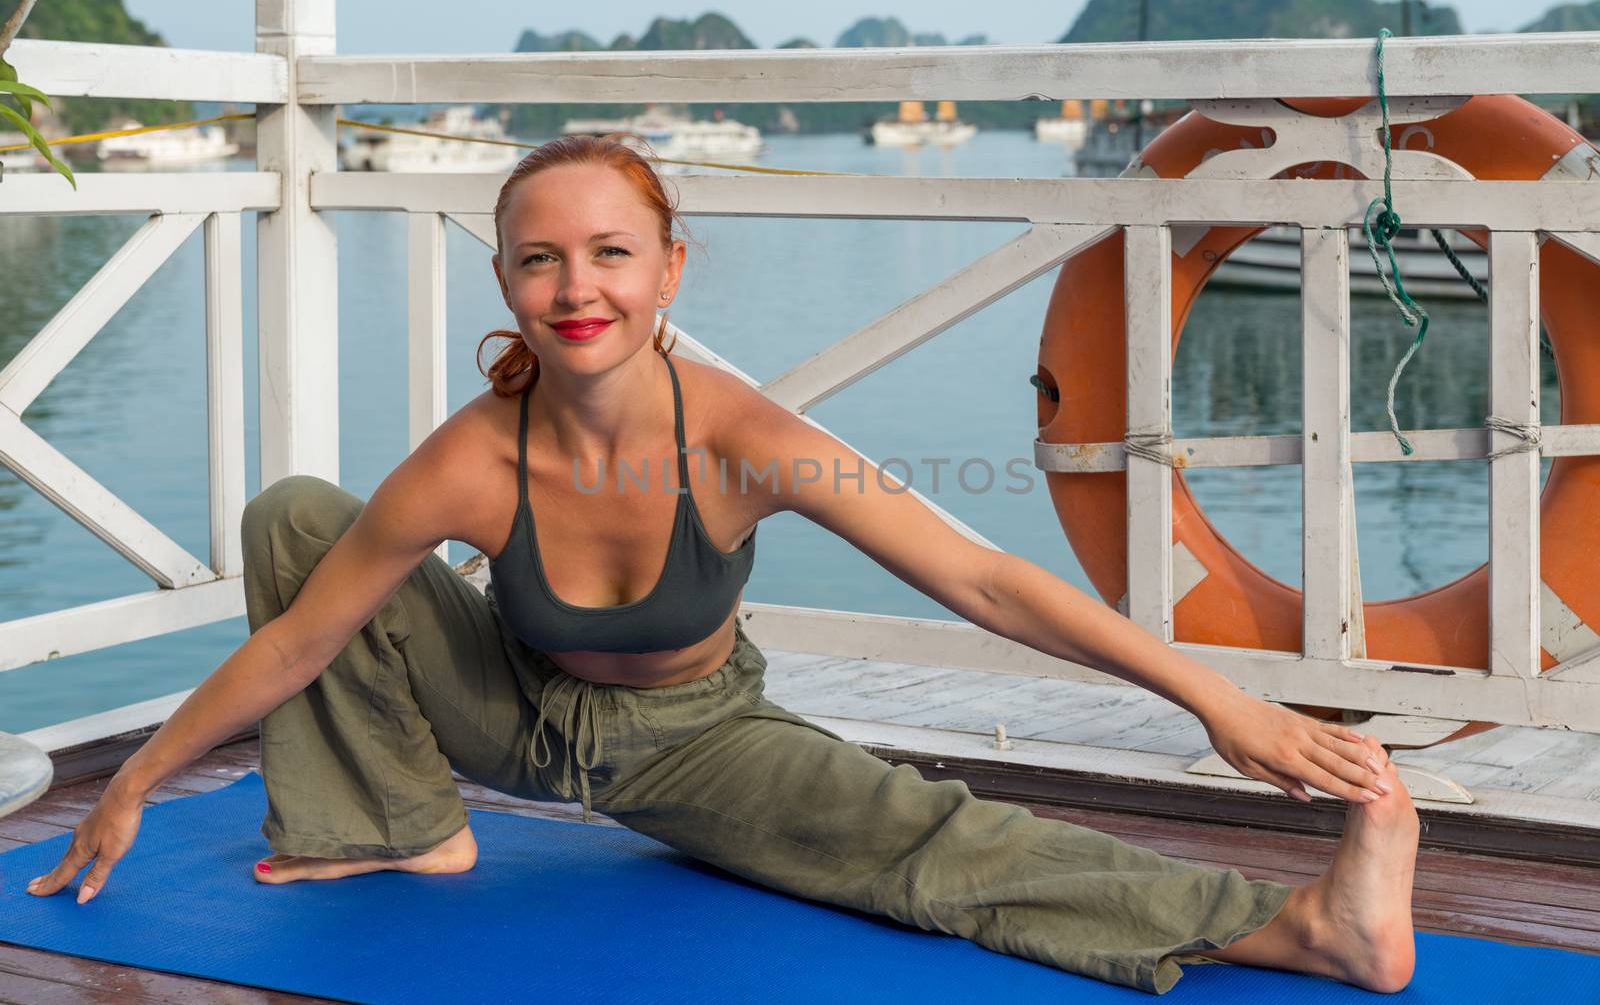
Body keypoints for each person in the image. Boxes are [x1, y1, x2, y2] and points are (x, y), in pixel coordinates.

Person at [26, 134, 1418, 996]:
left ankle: (1304, 932)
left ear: (672, 269)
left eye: (612, 255)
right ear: (506, 280)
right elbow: (301, 639)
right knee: (297, 513)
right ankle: (393, 820)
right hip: (505, 712)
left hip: (692, 744)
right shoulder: (471, 454)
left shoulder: (749, 441)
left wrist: (1217, 701)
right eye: (540, 261)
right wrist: (138, 782)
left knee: (924, 845)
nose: (578, 290)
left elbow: (988, 583)